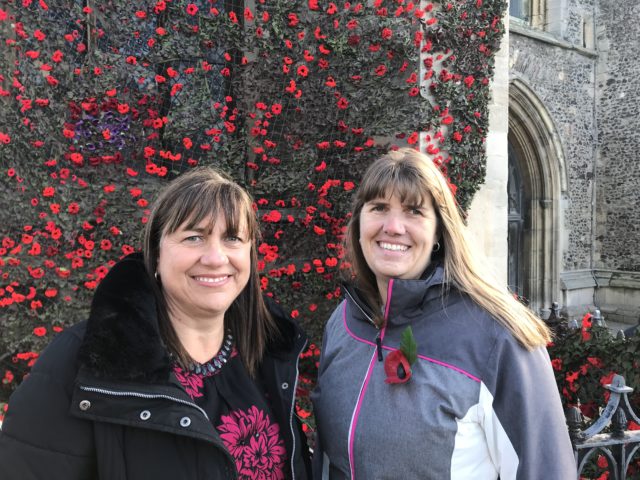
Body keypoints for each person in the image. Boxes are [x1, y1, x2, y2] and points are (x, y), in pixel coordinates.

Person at [0, 167, 311, 479]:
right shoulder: (83, 360)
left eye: (232, 238)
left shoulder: (271, 351)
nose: (216, 258)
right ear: (156, 255)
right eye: (194, 237)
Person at [311, 148, 576, 479]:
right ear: (359, 222)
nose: (393, 226)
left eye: (413, 211)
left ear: (438, 231)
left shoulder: (498, 338)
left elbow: (545, 471)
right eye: (378, 208)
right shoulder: (343, 322)